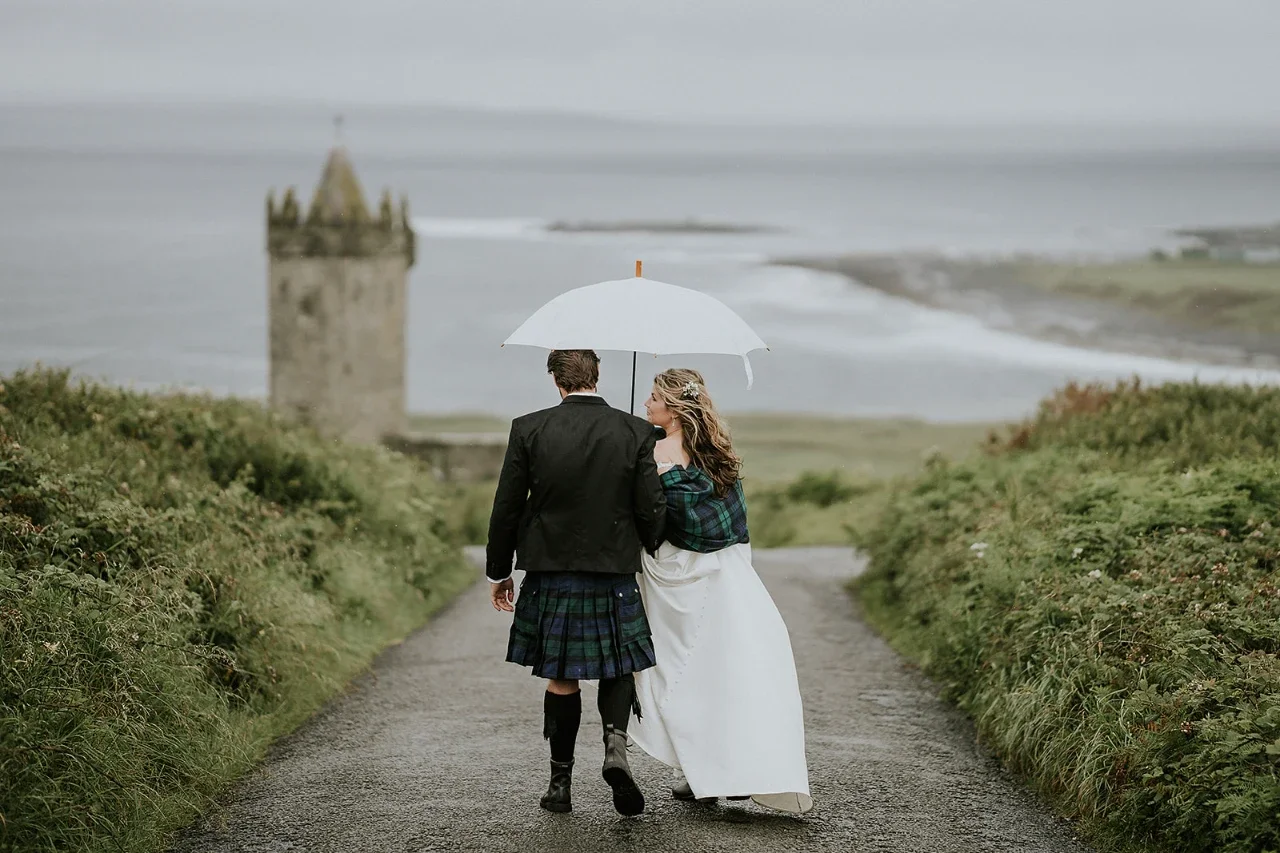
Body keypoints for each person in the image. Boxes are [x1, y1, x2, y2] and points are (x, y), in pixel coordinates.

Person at [486, 349, 667, 817]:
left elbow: (506, 505)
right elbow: (650, 505)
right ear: (597, 376)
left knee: (562, 676)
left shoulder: (529, 428)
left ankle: (560, 784)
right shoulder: (634, 431)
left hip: (550, 571)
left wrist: (499, 570)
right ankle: (614, 748)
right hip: (612, 571)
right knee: (617, 665)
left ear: (556, 380)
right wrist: (647, 543)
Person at [627, 368, 814, 814]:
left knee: (678, 673)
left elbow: (645, 514)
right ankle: (715, 771)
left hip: (673, 574)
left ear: (672, 408)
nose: (646, 405)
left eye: (653, 398)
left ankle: (700, 772)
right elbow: (736, 527)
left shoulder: (651, 451)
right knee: (728, 666)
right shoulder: (718, 453)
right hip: (725, 571)